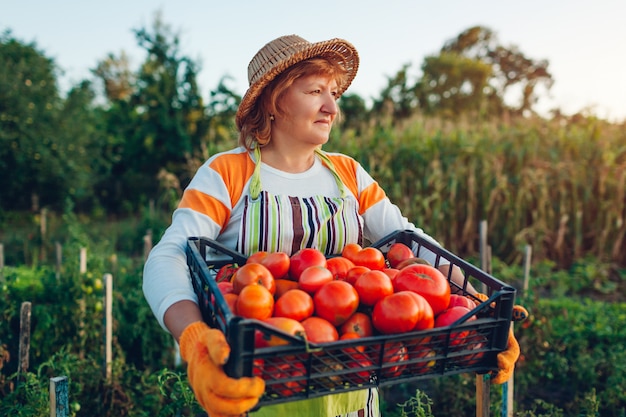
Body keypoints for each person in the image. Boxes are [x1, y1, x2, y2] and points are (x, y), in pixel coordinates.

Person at [143, 34, 525, 417]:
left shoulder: (347, 174)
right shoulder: (228, 172)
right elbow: (170, 256)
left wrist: (476, 305)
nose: (331, 107)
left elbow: (414, 244)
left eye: (335, 93)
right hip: (258, 390)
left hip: (352, 390)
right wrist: (193, 338)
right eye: (315, 91)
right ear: (274, 101)